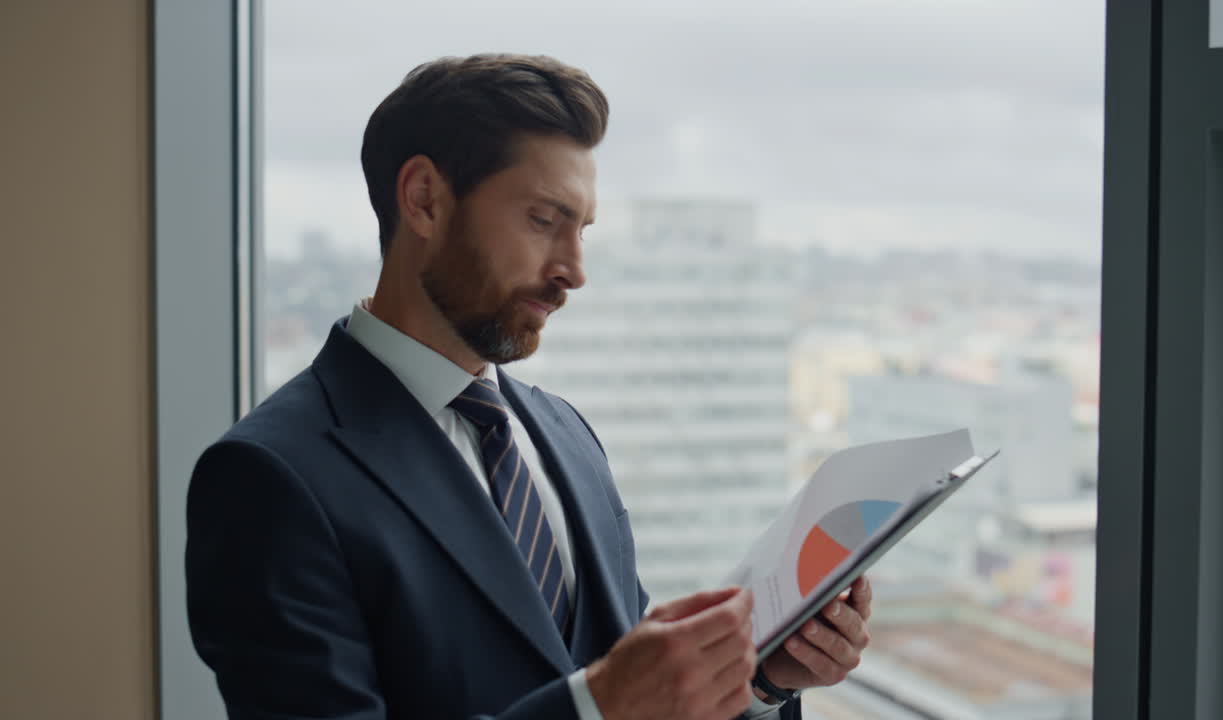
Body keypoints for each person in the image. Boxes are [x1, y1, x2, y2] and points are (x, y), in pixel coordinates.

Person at [186, 53, 872, 720]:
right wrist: (598, 708)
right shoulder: (268, 478)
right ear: (424, 199)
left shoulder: (567, 435)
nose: (574, 269)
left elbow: (645, 702)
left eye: (582, 231)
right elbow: (614, 700)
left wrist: (757, 686)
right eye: (545, 220)